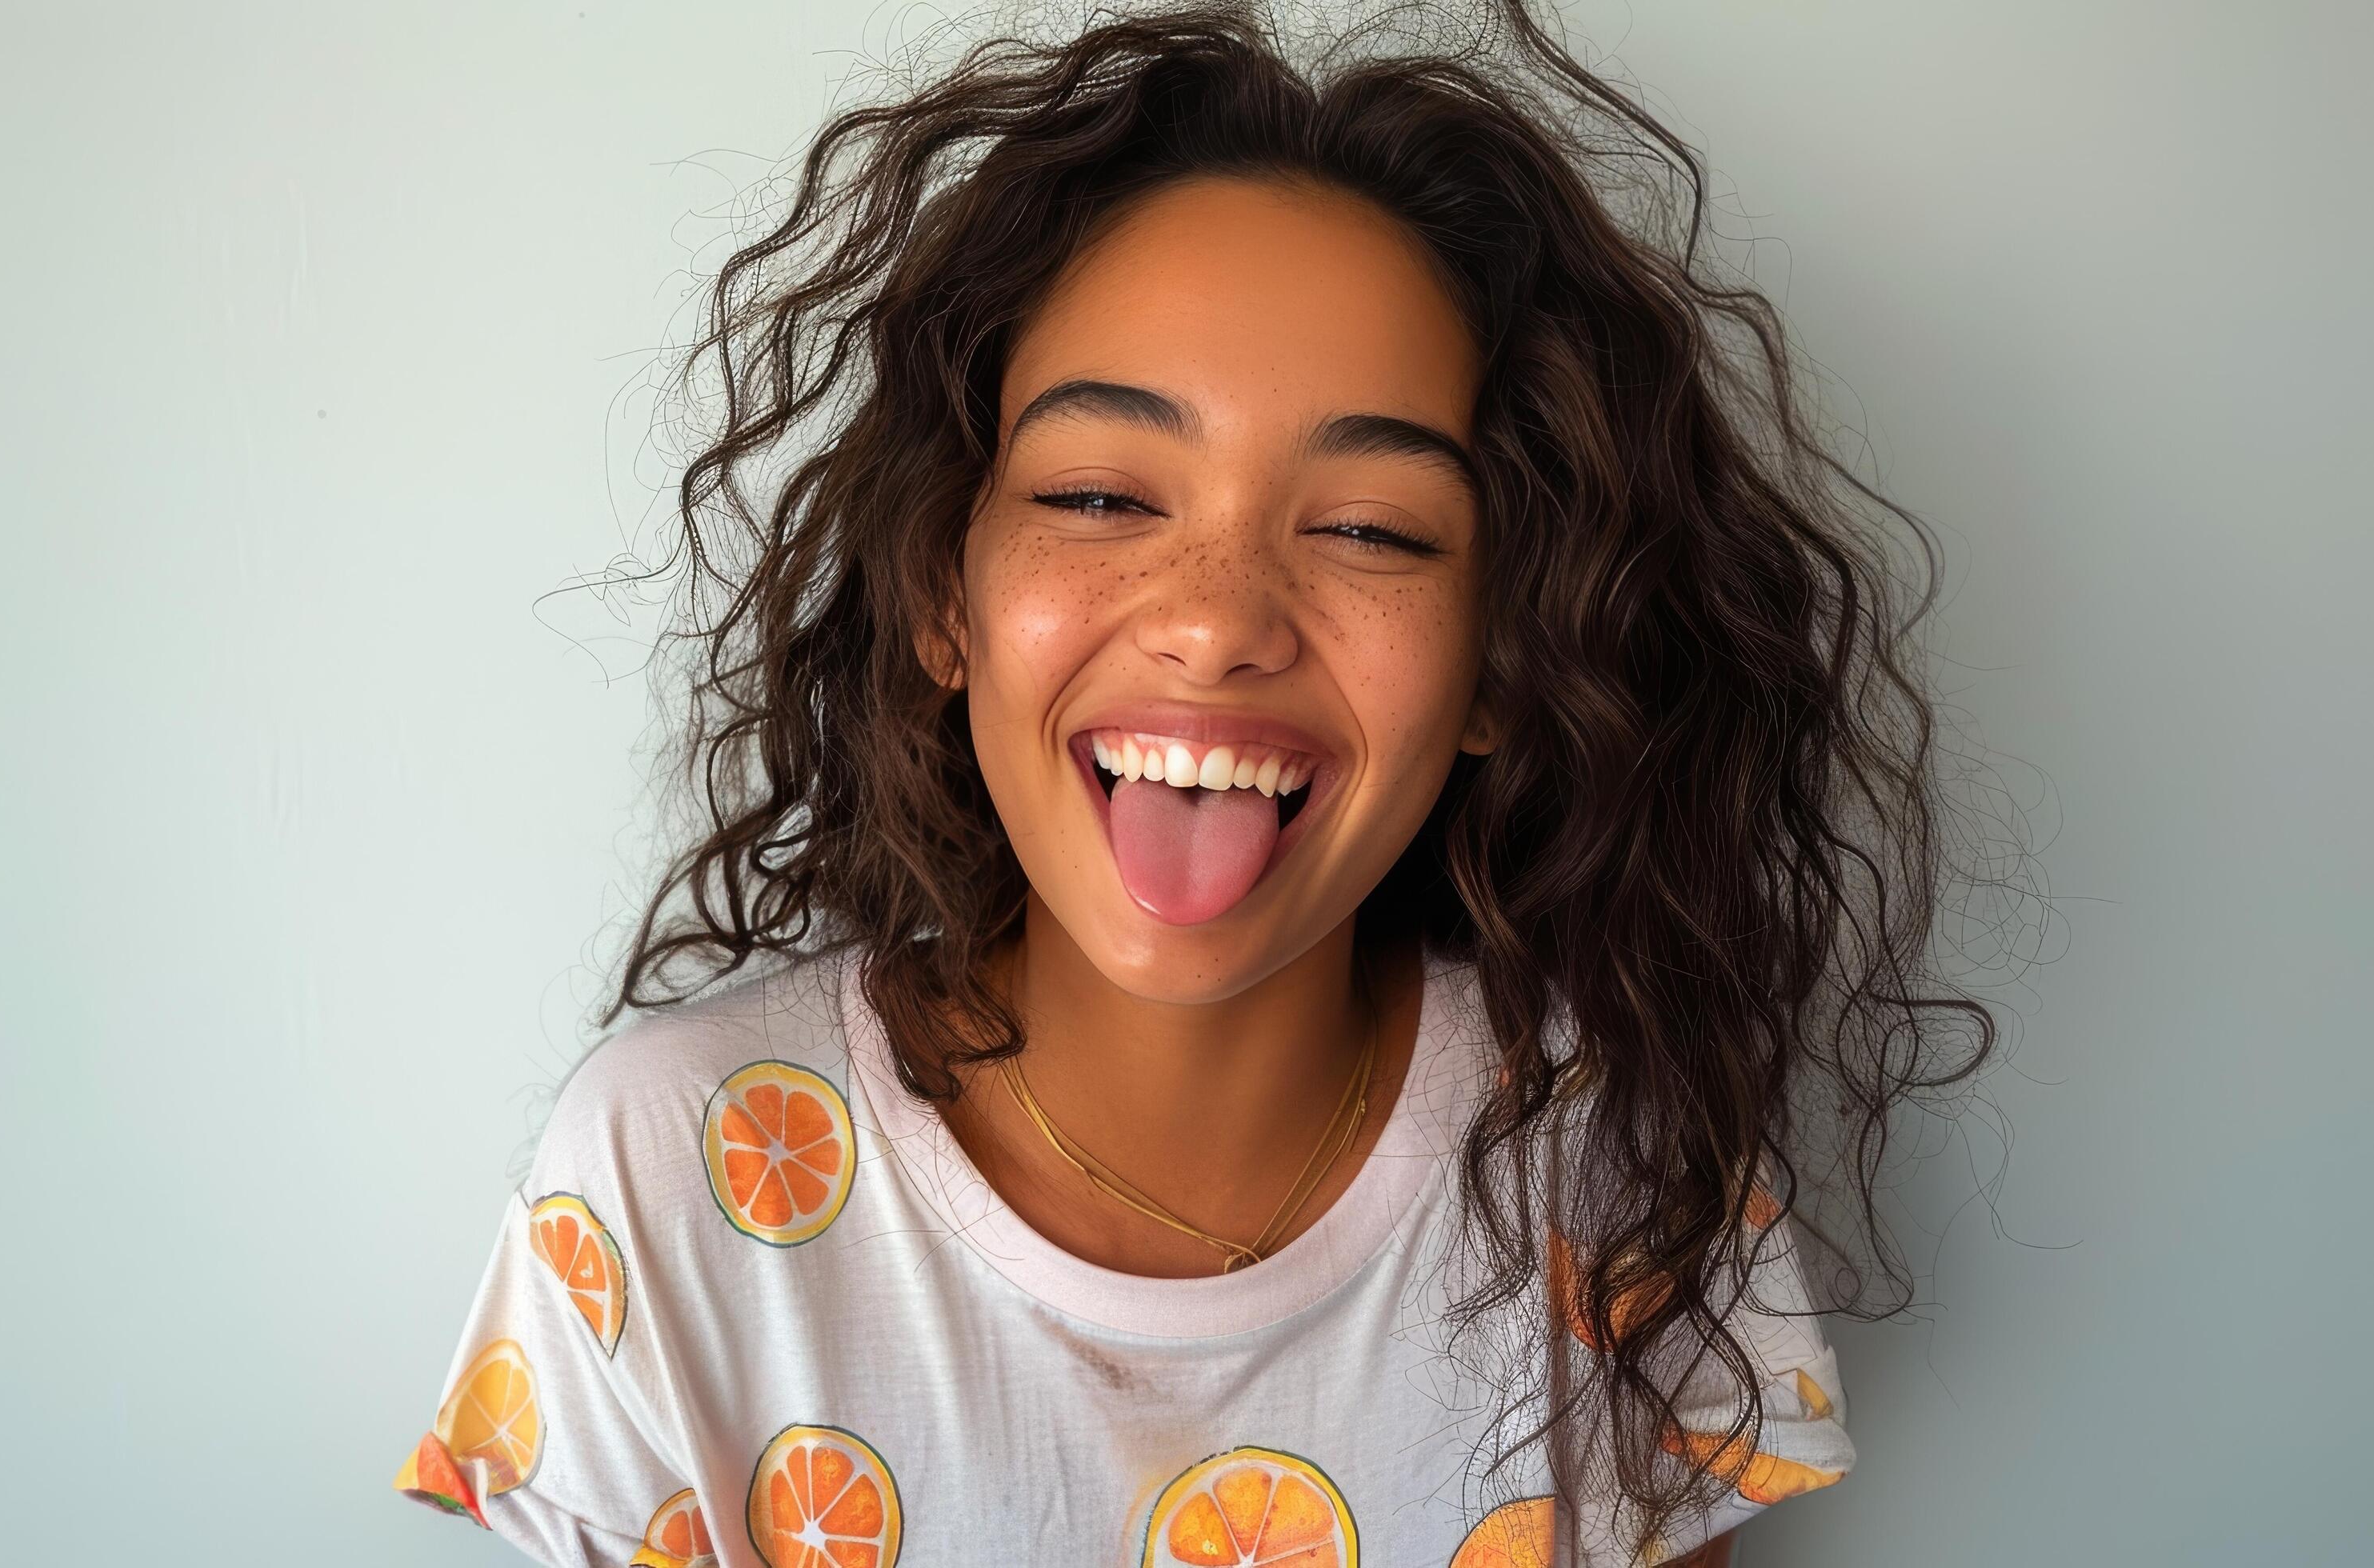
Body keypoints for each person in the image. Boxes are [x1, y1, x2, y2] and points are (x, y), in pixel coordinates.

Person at [391, 3, 1996, 1563]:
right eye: (1098, 492)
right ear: (946, 595)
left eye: (1371, 526)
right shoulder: (665, 1179)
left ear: (1507, 656)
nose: (1219, 620)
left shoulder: (1626, 1159)